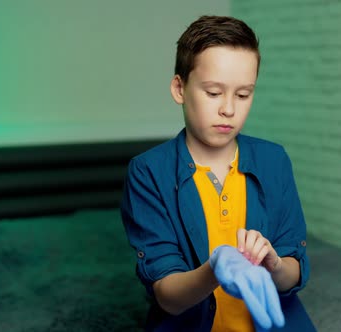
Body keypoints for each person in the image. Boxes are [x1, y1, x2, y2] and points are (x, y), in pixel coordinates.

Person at [121, 15, 316, 331]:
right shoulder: (148, 172)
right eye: (213, 92)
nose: (229, 109)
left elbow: (293, 274)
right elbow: (168, 297)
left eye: (243, 94)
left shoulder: (274, 160)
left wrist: (275, 265)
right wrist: (215, 269)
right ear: (179, 88)